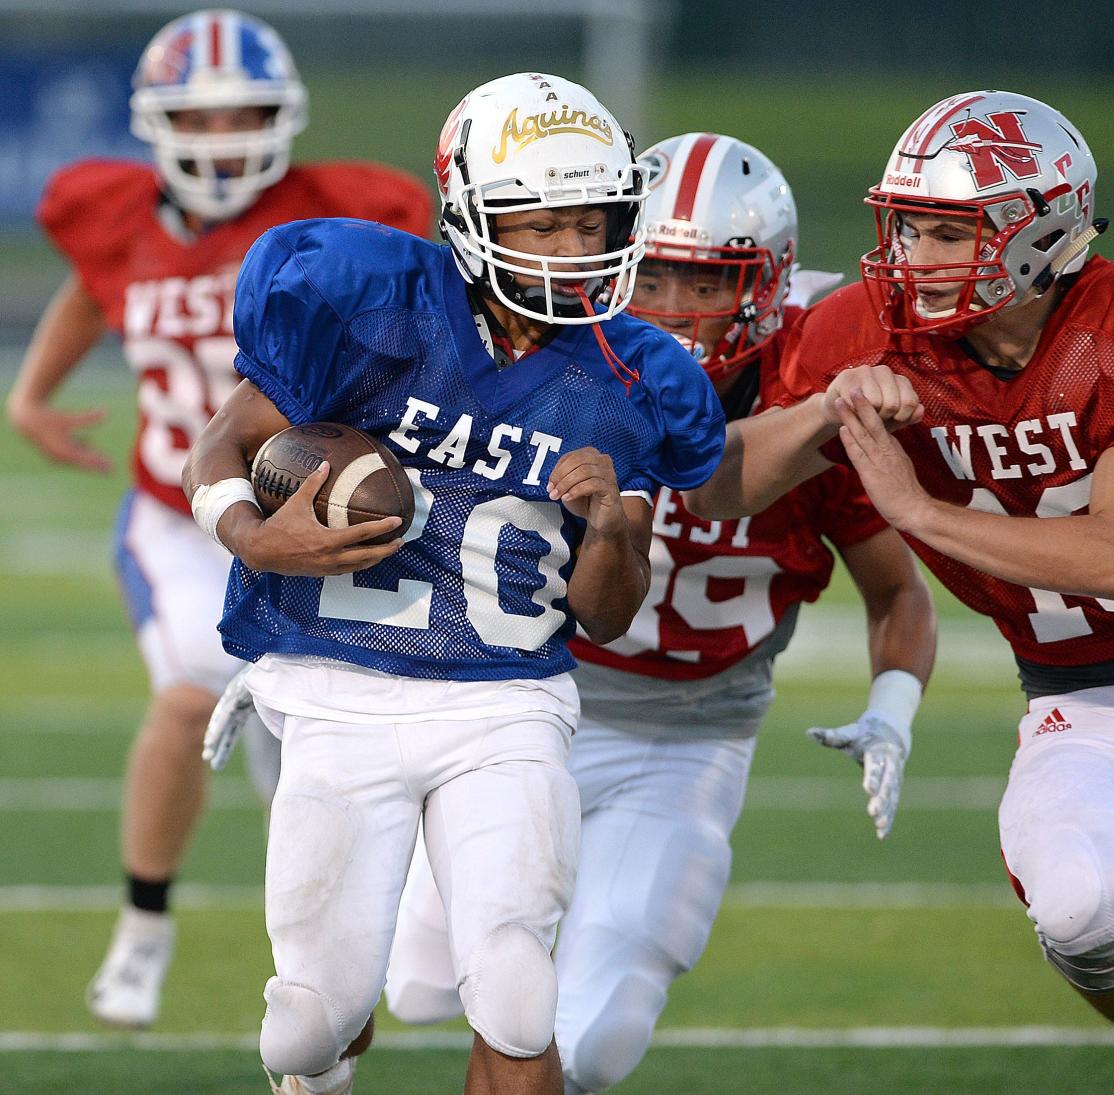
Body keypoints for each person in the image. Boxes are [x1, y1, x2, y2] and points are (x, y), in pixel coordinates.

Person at [684, 91, 1114, 1095]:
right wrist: (823, 409)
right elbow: (720, 488)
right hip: (1077, 696)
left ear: (1047, 232)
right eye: (905, 228)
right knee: (1077, 910)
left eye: (948, 232)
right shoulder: (862, 333)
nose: (914, 258)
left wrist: (921, 511)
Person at [183, 72, 725, 1095]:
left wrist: (611, 524)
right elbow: (220, 443)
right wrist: (253, 538)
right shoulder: (366, 302)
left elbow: (608, 611)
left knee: (519, 992)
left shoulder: (637, 375)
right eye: (544, 224)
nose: (573, 251)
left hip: (509, 701)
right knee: (306, 1025)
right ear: (471, 217)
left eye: (592, 223)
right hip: (341, 688)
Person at [380, 133, 937, 1094]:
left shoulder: (812, 416)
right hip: (532, 701)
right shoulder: (551, 367)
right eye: (657, 279)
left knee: (593, 1038)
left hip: (688, 737)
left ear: (764, 286)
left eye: (706, 284)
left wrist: (894, 705)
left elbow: (897, 590)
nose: (676, 311)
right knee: (415, 985)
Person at [3, 9, 433, 1033]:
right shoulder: (115, 216)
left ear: (285, 118)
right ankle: (145, 924)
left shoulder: (335, 218)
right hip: (175, 510)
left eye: (246, 114)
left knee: (318, 743)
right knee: (194, 689)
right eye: (201, 117)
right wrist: (31, 394)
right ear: (155, 125)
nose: (225, 136)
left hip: (306, 511)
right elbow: (94, 287)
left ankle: (338, 963)